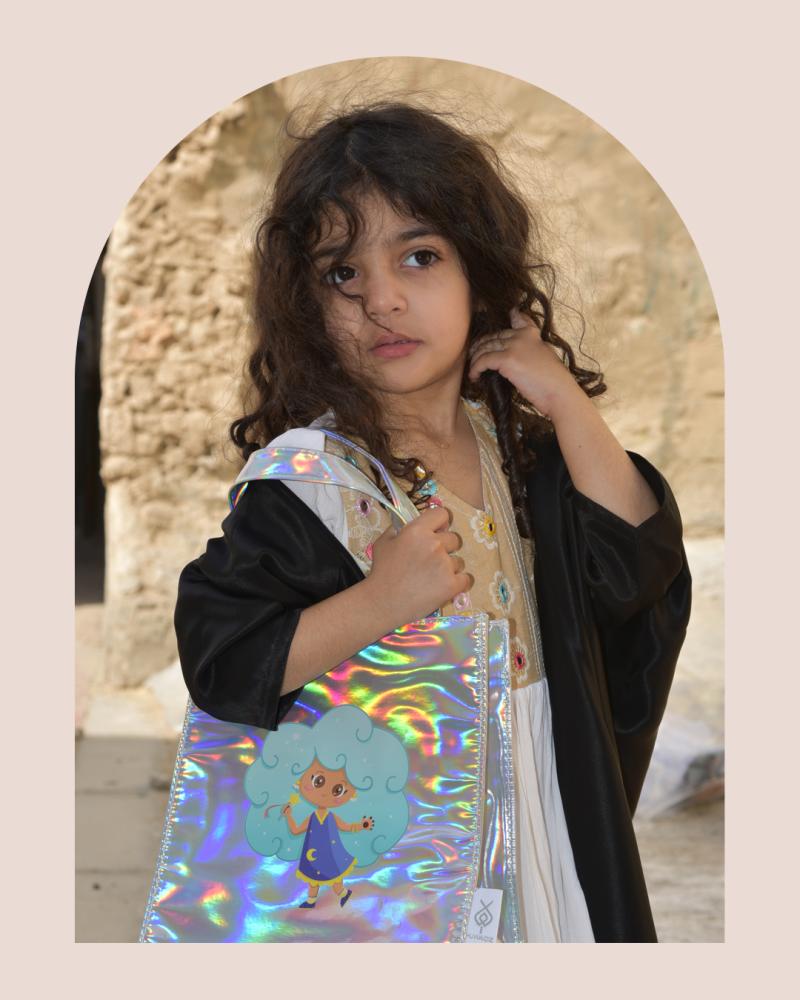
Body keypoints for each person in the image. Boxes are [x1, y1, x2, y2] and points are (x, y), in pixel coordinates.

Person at [174, 101, 691, 943]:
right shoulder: (313, 483)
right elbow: (223, 660)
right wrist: (379, 602)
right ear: (307, 306)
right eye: (343, 273)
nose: (382, 299)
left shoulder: (519, 455)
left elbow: (638, 565)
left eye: (419, 257)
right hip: (404, 863)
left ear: (478, 275)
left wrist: (564, 400)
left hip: (546, 814)